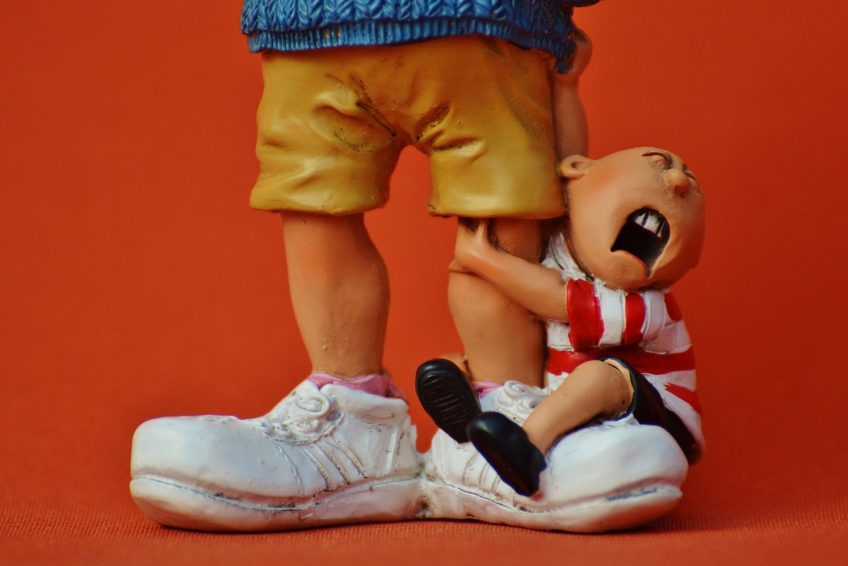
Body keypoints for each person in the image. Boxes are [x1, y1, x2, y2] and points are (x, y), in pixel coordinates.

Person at [129, 0, 598, 531]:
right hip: (312, 27)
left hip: (489, 27)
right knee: (314, 206)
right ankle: (351, 415)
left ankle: (507, 416)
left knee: (503, 213)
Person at [418, 147, 705, 497]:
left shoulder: (648, 306)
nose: (677, 180)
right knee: (457, 364)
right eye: (658, 163)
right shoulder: (560, 248)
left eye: (692, 185)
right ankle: (475, 413)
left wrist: (479, 256)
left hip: (658, 411)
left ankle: (525, 449)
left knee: (601, 376)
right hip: (560, 388)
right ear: (577, 169)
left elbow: (558, 300)